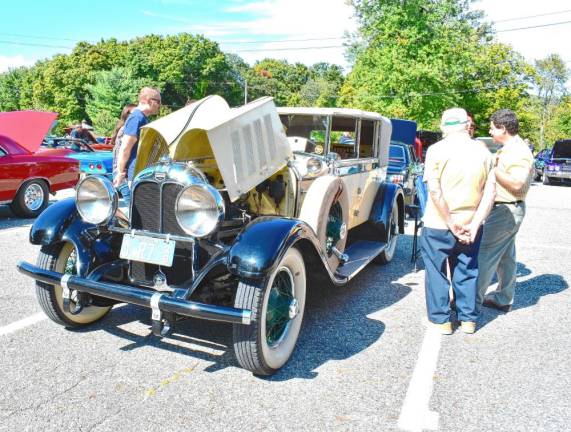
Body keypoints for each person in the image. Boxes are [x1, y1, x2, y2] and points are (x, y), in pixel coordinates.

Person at [420, 108, 495, 335]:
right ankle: (468, 320)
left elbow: (434, 190)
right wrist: (474, 224)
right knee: (467, 269)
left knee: (436, 271)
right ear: (466, 125)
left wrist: (451, 222)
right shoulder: (484, 152)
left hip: (438, 223)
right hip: (471, 222)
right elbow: (490, 193)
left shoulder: (436, 150)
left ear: (444, 127)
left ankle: (441, 320)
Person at [476, 109, 533, 313]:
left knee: (485, 255)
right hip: (509, 210)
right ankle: (503, 298)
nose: (490, 131)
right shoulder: (510, 148)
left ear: (503, 128)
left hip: (505, 210)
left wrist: (492, 165)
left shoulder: (518, 151)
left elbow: (517, 184)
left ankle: (470, 303)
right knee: (506, 257)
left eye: (492, 127)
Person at [113, 87, 161, 206]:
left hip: (141, 172)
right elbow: (125, 148)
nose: (160, 105)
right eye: (158, 102)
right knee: (136, 213)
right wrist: (120, 172)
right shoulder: (136, 118)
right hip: (135, 174)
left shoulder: (143, 118)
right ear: (149, 100)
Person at [110, 103, 137, 176]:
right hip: (122, 170)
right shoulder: (125, 129)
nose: (137, 115)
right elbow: (121, 150)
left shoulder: (127, 128)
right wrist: (121, 171)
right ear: (127, 114)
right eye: (134, 113)